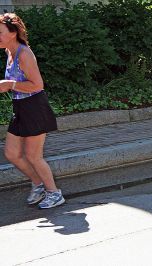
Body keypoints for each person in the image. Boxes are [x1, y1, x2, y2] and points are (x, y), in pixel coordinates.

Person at [0, 13, 65, 209]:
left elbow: (37, 85)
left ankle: (54, 193)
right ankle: (38, 184)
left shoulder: (24, 53)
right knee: (12, 153)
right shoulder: (9, 53)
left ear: (12, 33)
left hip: (34, 107)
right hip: (20, 107)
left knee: (33, 156)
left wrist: (10, 84)